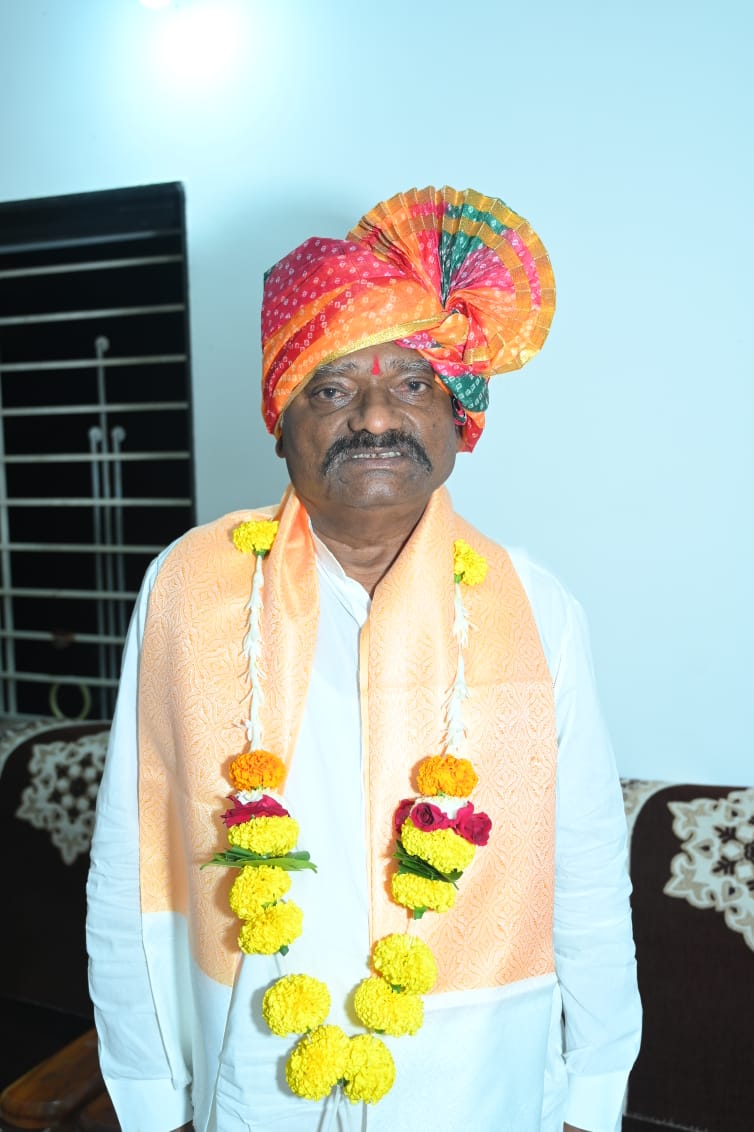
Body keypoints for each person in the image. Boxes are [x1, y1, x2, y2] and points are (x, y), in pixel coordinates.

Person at [86, 186, 641, 1132]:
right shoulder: (185, 587)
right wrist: (146, 1096)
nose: (375, 416)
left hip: (476, 1084)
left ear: (457, 417)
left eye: (414, 384)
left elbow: (586, 869)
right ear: (281, 421)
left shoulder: (536, 607)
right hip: (253, 1074)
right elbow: (129, 866)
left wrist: (593, 1095)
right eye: (331, 388)